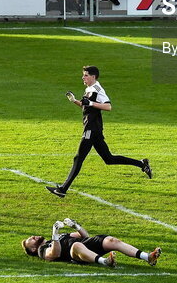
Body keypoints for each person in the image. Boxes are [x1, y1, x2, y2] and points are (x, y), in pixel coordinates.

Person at [46, 66, 152, 198]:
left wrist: (90, 103)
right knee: (109, 159)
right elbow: (87, 106)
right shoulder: (89, 89)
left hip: (92, 129)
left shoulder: (97, 89)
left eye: (85, 75)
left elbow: (108, 106)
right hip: (92, 129)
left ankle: (62, 189)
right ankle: (142, 164)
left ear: (93, 77)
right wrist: (75, 101)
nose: (83, 77)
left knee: (78, 158)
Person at [22, 218, 161, 268]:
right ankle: (104, 262)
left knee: (112, 240)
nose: (34, 236)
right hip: (77, 254)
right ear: (33, 249)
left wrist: (76, 226)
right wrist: (54, 234)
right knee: (77, 245)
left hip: (87, 244)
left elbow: (84, 236)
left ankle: (147, 257)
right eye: (32, 239)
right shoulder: (43, 250)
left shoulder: (61, 236)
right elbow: (55, 254)